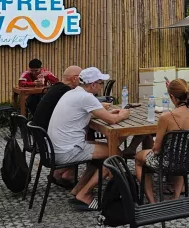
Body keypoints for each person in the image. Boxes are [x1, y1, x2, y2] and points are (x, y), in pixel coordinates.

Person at [46, 67, 129, 208]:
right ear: (93, 84)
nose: (101, 87)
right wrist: (123, 114)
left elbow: (85, 113)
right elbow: (111, 121)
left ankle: (78, 189)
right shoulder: (86, 97)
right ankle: (85, 194)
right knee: (115, 154)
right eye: (100, 83)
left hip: (53, 149)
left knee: (104, 152)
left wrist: (105, 112)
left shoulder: (72, 93)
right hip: (67, 151)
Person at [134, 79, 189, 202]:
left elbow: (157, 150)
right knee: (179, 154)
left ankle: (152, 201)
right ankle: (176, 198)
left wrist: (157, 143)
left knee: (138, 158)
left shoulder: (167, 117)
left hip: (170, 162)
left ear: (172, 97)